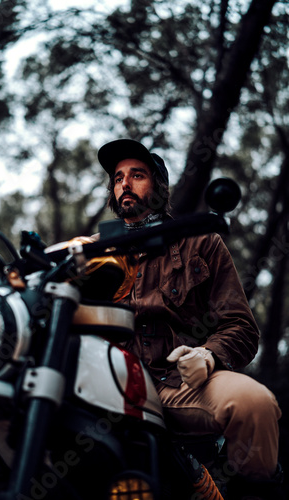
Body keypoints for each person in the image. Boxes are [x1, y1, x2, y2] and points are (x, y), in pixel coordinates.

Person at [97, 138, 283, 500]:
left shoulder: (201, 243)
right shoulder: (92, 251)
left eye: (137, 175)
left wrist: (209, 355)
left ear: (159, 188)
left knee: (253, 404)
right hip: (107, 384)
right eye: (118, 178)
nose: (125, 184)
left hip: (175, 385)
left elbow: (242, 328)